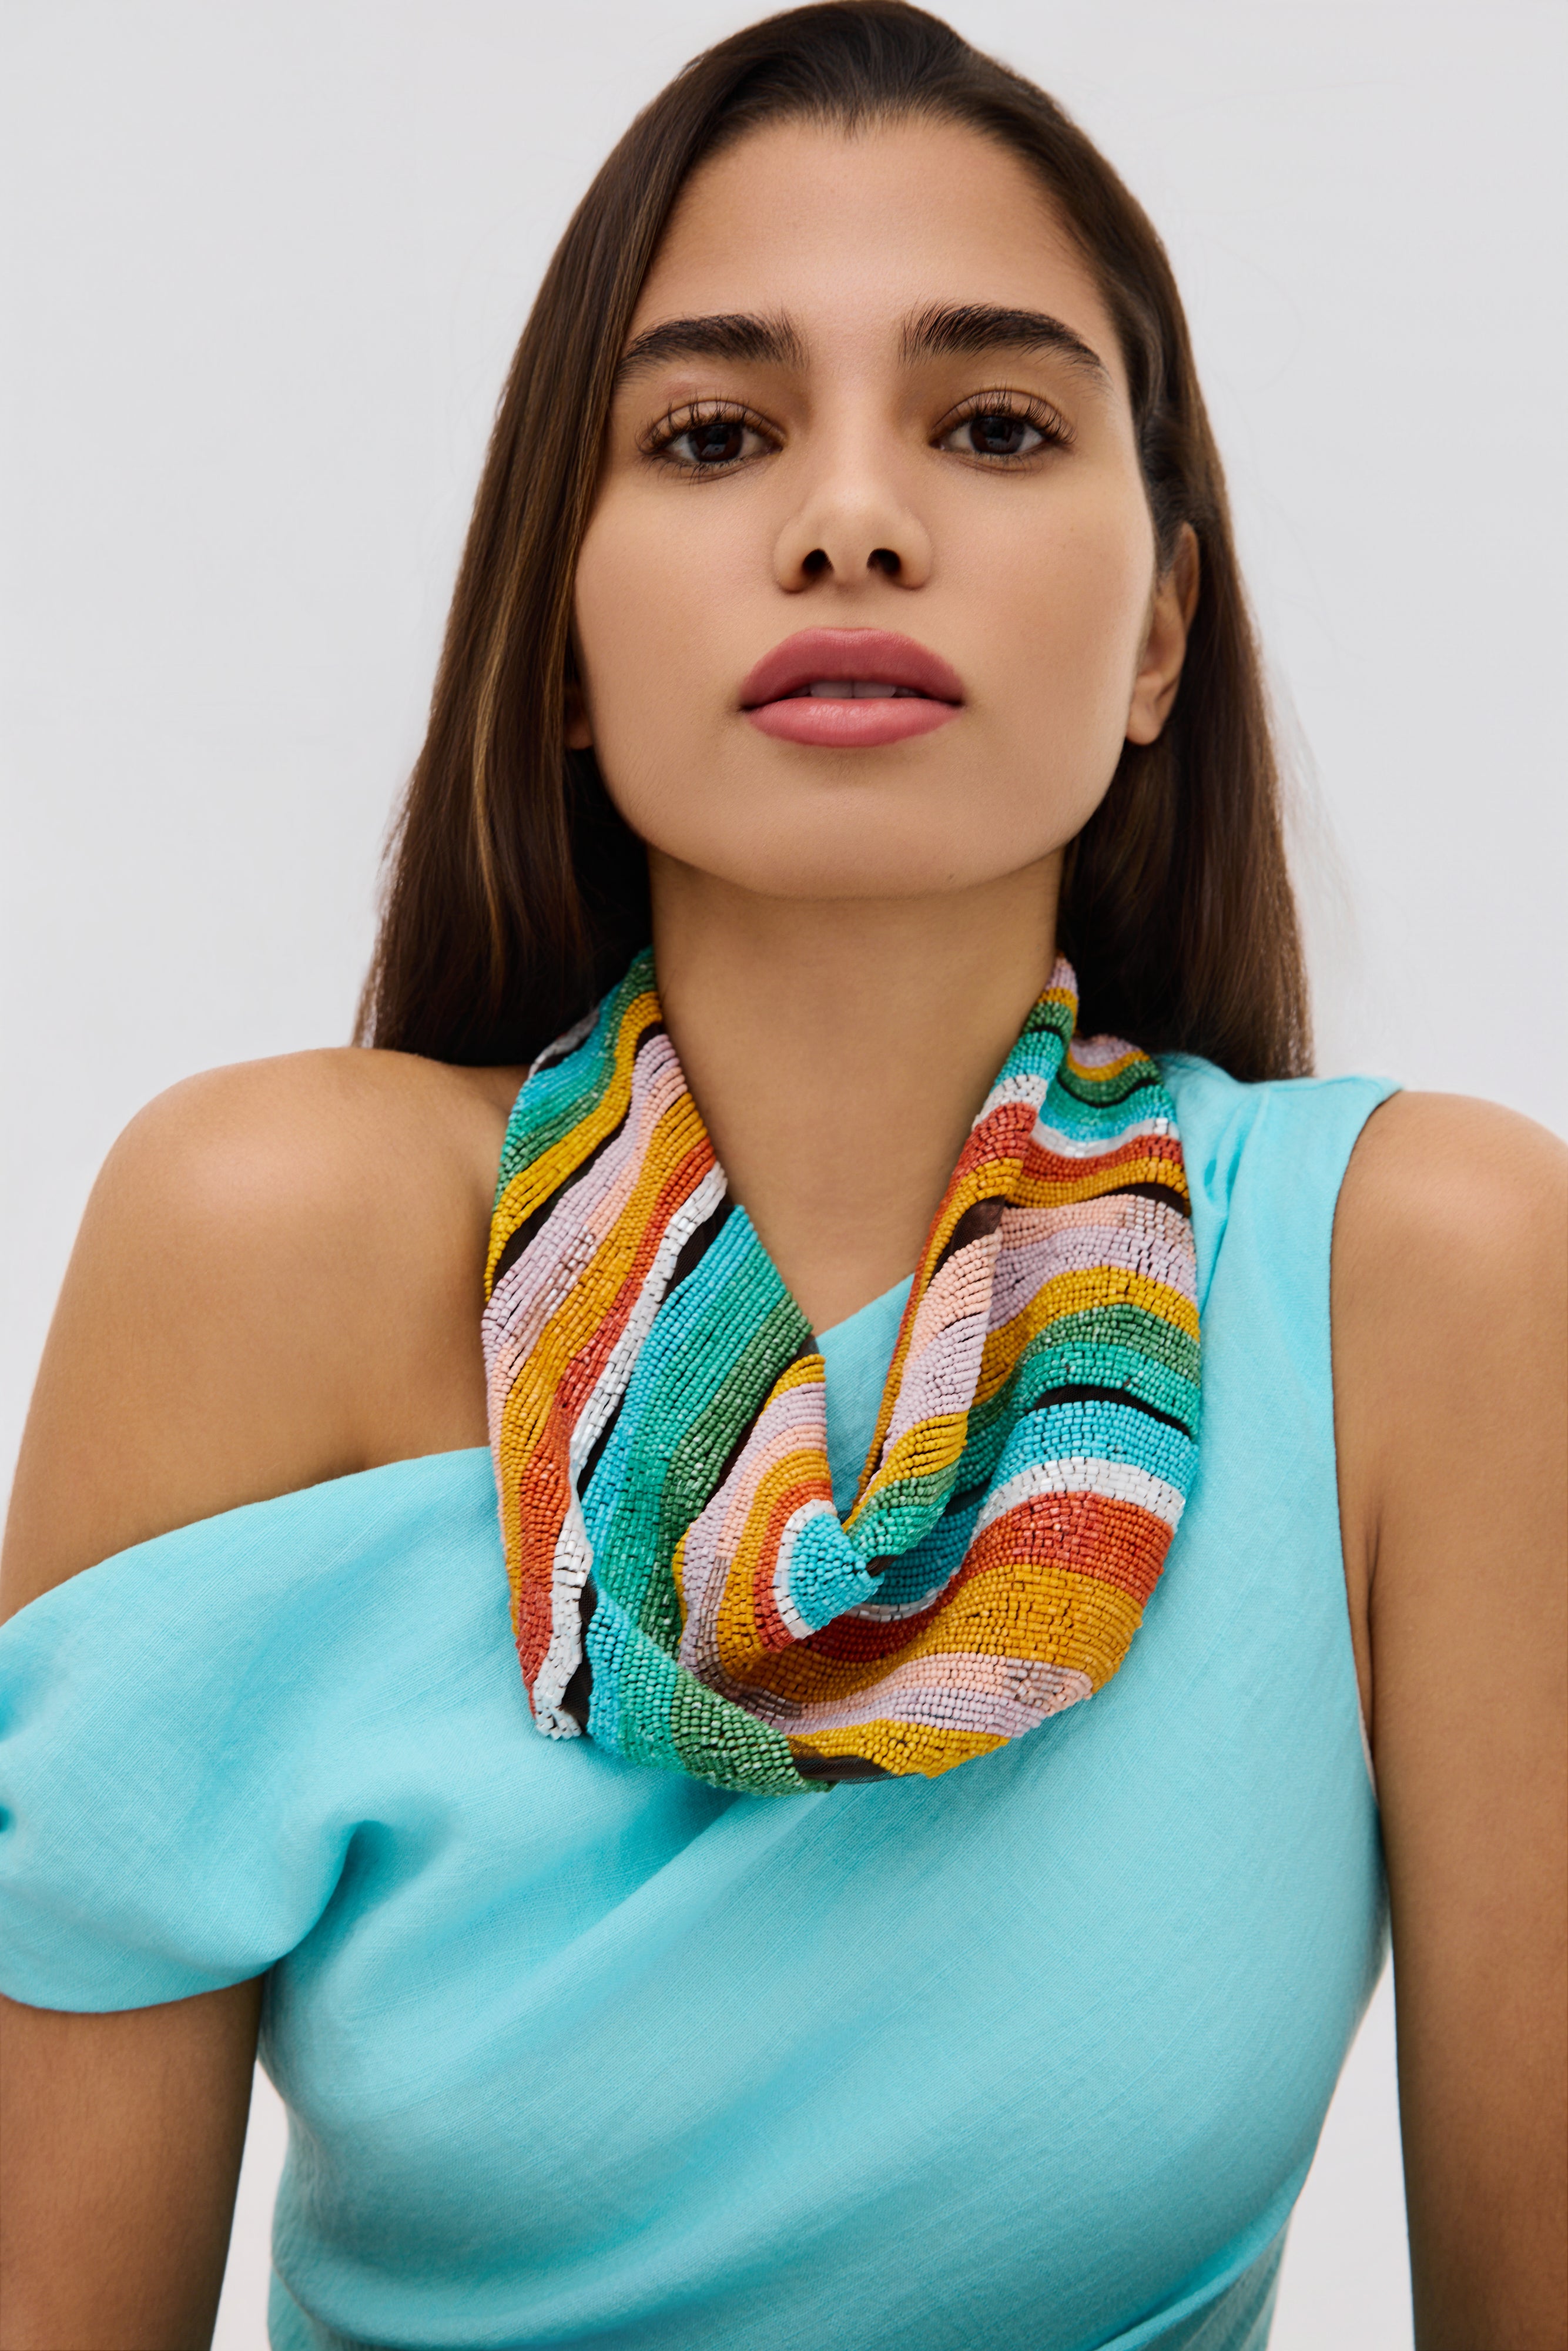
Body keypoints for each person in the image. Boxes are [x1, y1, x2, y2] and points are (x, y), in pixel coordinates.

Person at [2, 4, 1563, 2346]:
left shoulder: (1423, 1290)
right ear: (558, 635)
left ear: (1160, 629)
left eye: (995, 424)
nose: (851, 519)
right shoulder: (260, 1244)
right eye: (713, 434)